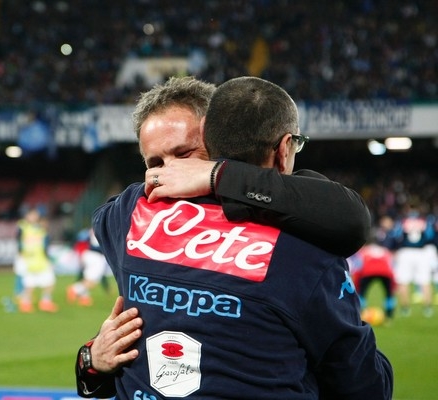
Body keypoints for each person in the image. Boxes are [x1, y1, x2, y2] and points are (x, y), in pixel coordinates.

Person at [83, 76, 392, 398]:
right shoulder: (307, 246)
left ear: (214, 136)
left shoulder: (126, 216)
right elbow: (363, 385)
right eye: (155, 164)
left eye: (184, 154)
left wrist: (217, 176)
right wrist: (91, 360)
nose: (169, 173)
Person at [391, 200, 437, 317]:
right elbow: (430, 235)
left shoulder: (402, 221)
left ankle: (405, 308)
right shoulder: (425, 221)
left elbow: (396, 235)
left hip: (405, 252)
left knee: (403, 281)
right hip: (421, 252)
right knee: (425, 281)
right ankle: (427, 308)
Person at [16, 207, 59, 313]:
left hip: (39, 260)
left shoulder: (39, 230)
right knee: (31, 283)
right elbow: (19, 242)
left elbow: (45, 245)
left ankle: (41, 302)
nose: (34, 217)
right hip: (31, 260)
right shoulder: (24, 228)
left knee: (47, 282)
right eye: (32, 215)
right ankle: (29, 303)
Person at [348, 236, 396, 322]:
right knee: (389, 293)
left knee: (362, 293)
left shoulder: (364, 251)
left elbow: (359, 266)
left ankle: (360, 313)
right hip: (385, 272)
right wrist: (393, 284)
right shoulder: (385, 251)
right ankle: (389, 315)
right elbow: (391, 265)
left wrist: (357, 284)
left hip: (368, 271)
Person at [67, 228, 111, 306]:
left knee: (88, 278)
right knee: (92, 281)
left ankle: (84, 297)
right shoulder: (104, 229)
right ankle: (74, 289)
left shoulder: (95, 228)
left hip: (90, 254)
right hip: (96, 256)